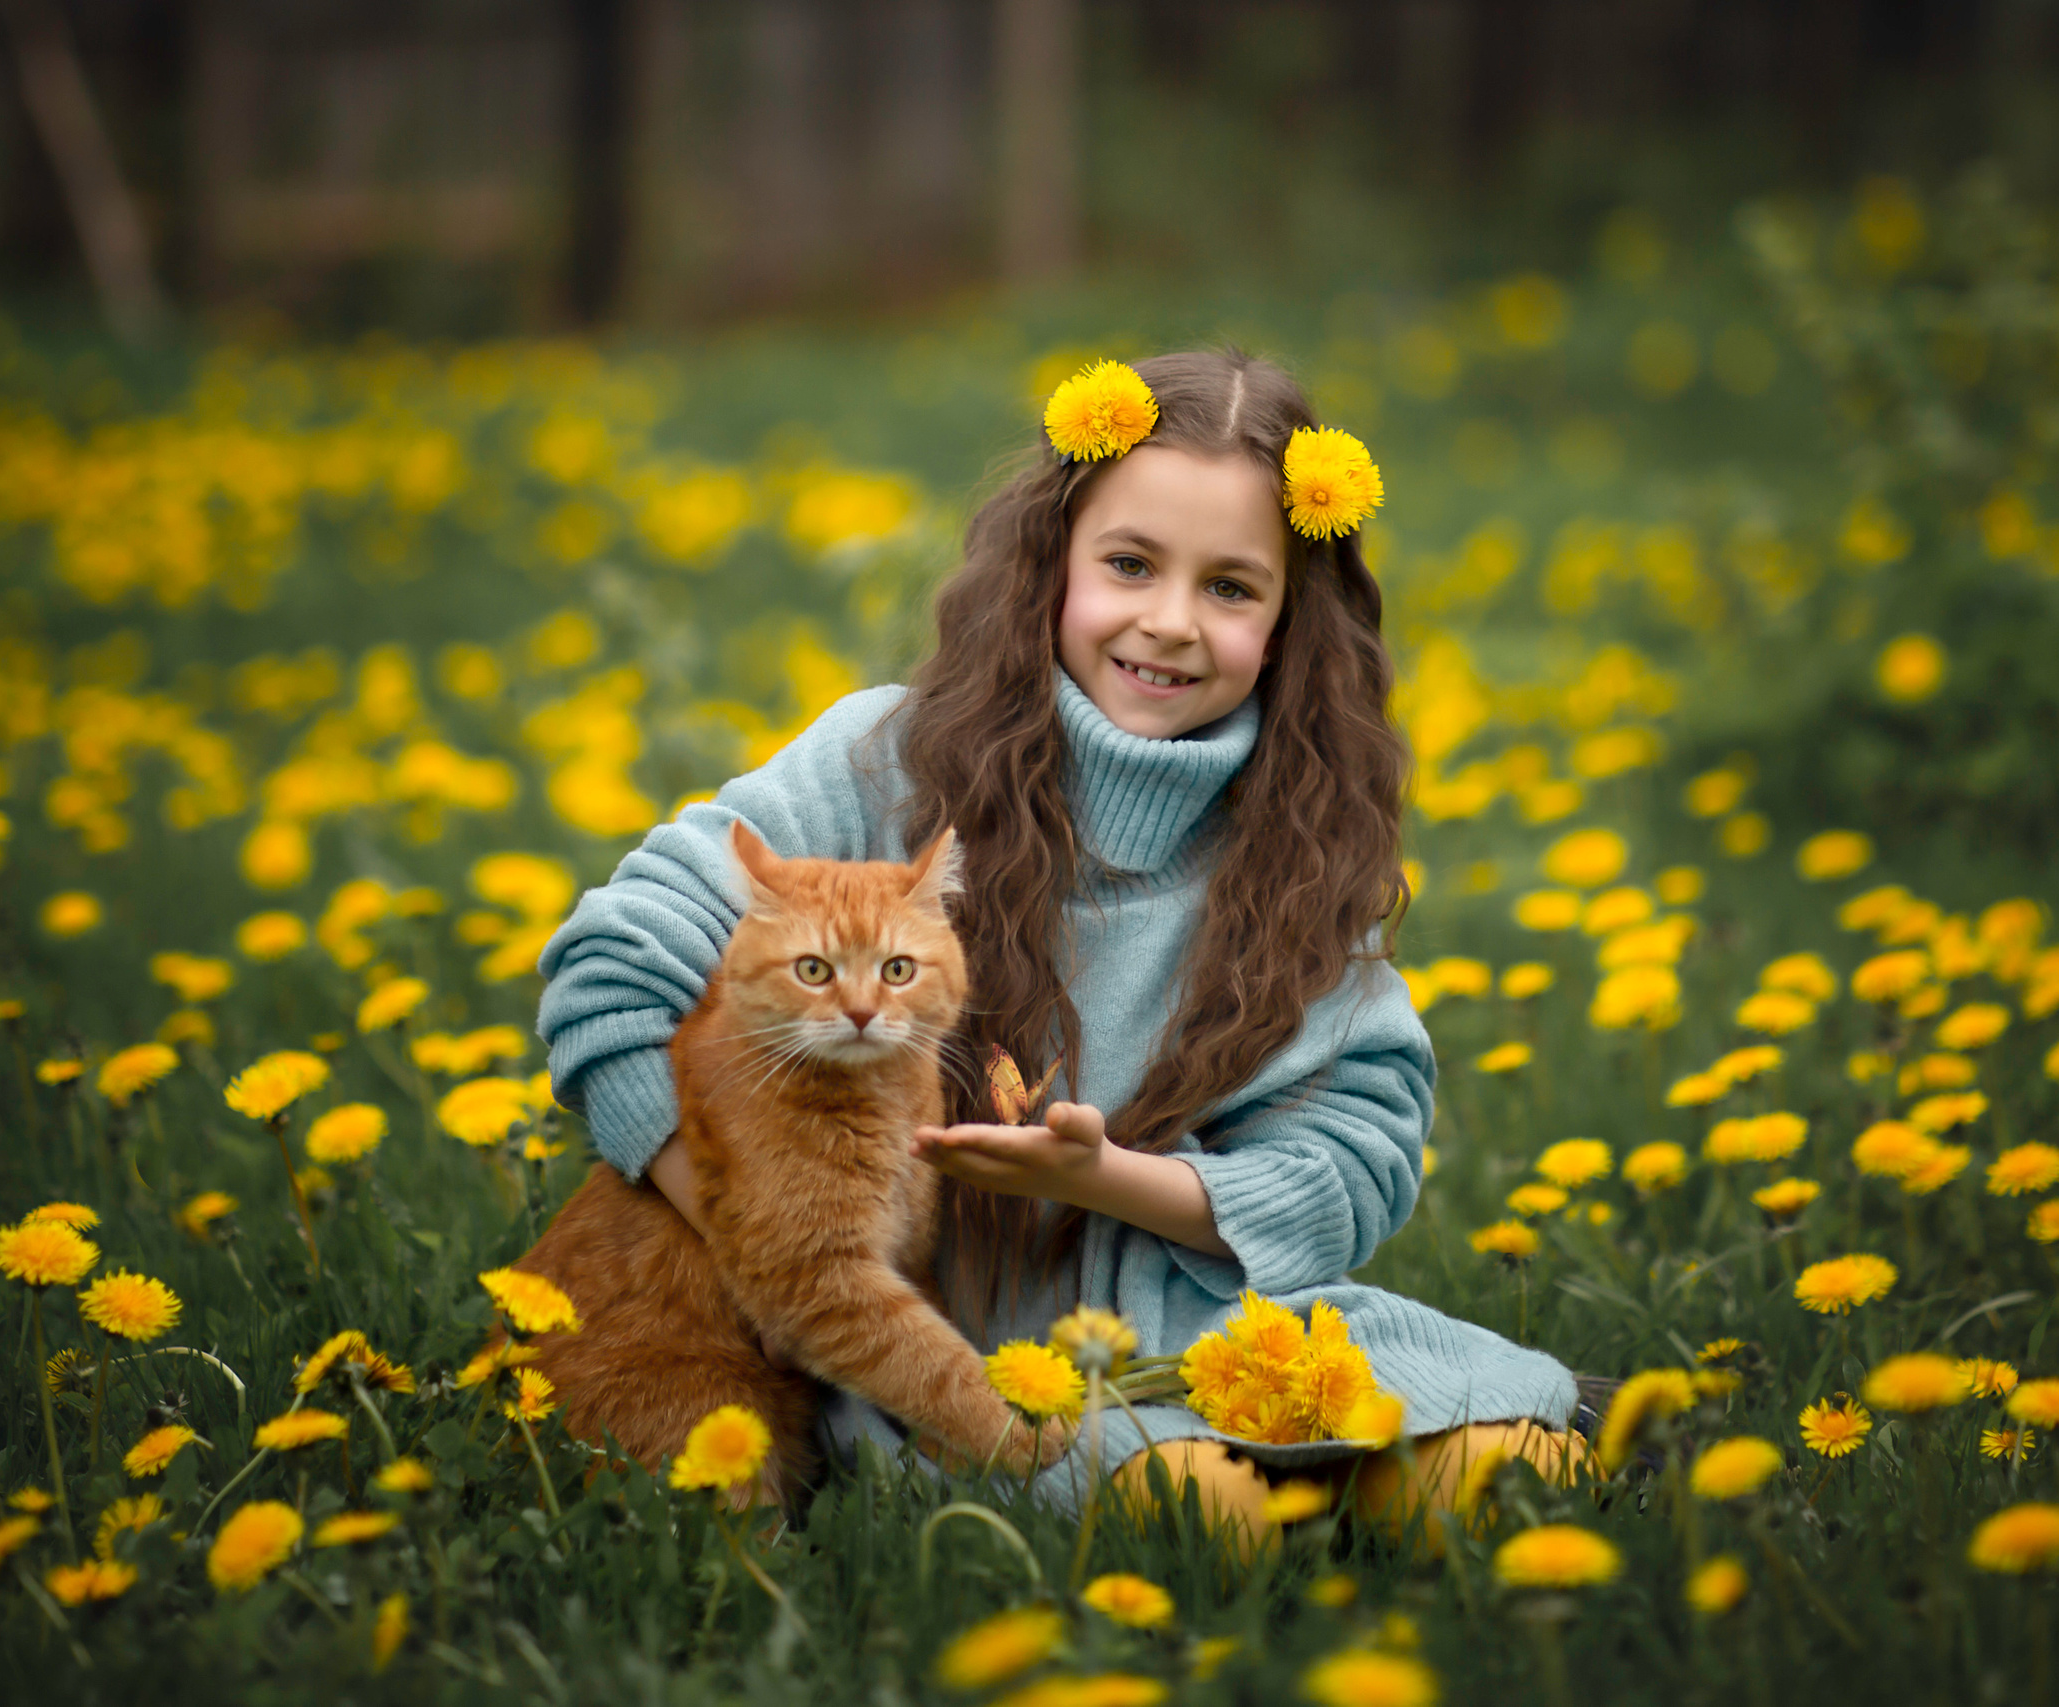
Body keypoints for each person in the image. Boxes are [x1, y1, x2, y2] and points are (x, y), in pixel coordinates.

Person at [535, 349, 1587, 1557]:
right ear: (1052, 565)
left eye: (1232, 588)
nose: (1170, 623)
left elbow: (1352, 1158)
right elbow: (612, 968)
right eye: (1130, 565)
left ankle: (1365, 1481)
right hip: (949, 1352)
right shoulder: (887, 759)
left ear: (1292, 621)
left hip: (1202, 1311)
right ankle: (1264, 1511)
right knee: (1202, 1517)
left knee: (1524, 1463)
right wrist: (749, 1228)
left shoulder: (1300, 842)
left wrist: (1103, 1183)